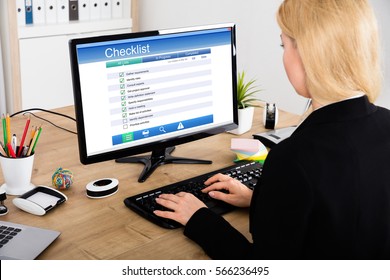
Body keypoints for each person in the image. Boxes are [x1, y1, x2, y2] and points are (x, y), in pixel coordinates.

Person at [154, 0, 390, 259]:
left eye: (284, 44)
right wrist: (259, 200)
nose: (283, 56)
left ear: (311, 54)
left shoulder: (293, 158)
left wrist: (199, 218)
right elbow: (341, 217)